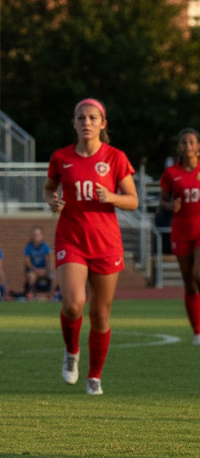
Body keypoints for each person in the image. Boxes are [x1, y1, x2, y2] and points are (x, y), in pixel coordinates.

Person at [44, 98, 138, 395]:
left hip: (106, 242)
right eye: (81, 118)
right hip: (71, 238)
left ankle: (94, 376)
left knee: (100, 315)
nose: (86, 122)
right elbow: (48, 188)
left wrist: (111, 197)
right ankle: (72, 353)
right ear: (73, 123)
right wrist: (51, 200)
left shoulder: (115, 157)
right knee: (73, 304)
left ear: (102, 123)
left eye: (92, 118)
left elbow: (133, 201)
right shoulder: (61, 157)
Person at [159, 128, 200, 343]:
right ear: (180, 147)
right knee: (189, 283)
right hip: (181, 230)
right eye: (184, 142)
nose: (188, 146)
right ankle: (197, 332)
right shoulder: (171, 173)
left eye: (192, 142)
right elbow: (162, 200)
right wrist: (169, 205)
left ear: (198, 146)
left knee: (198, 273)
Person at [24, 226, 54, 301]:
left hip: (43, 270)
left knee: (53, 275)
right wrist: (35, 270)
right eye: (34, 235)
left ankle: (52, 294)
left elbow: (49, 260)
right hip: (33, 270)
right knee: (31, 276)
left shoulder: (45, 246)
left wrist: (46, 269)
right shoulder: (28, 247)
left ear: (41, 235)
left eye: (38, 234)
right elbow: (27, 262)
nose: (36, 236)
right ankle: (31, 294)